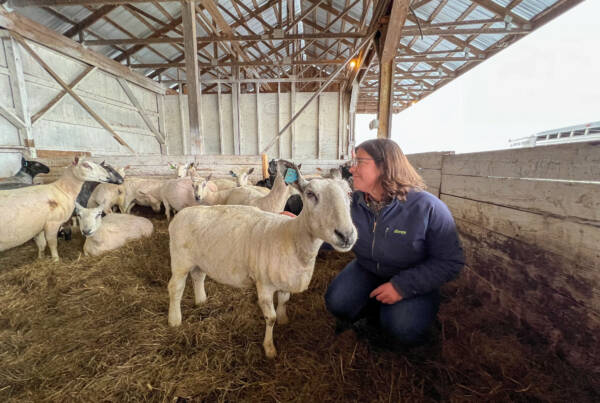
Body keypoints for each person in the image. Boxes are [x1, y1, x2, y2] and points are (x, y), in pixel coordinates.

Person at [325, 138, 464, 346]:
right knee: (337, 302)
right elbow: (329, 233)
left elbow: (451, 261)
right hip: (368, 268)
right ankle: (374, 309)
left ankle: (401, 311)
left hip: (413, 277)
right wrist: (294, 226)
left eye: (360, 162)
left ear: (384, 166)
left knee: (403, 327)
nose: (352, 169)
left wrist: (402, 287)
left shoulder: (428, 208)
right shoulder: (352, 203)